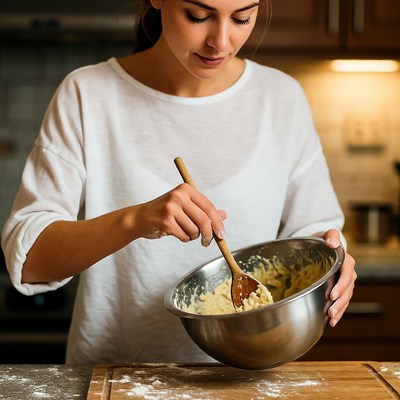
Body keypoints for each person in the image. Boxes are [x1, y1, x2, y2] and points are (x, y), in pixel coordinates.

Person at [1, 0, 356, 365]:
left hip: (247, 383)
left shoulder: (281, 99)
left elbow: (316, 234)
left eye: (241, 18)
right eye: (198, 16)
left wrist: (334, 258)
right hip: (116, 378)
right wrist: (136, 220)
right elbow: (29, 261)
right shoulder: (87, 95)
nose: (220, 41)